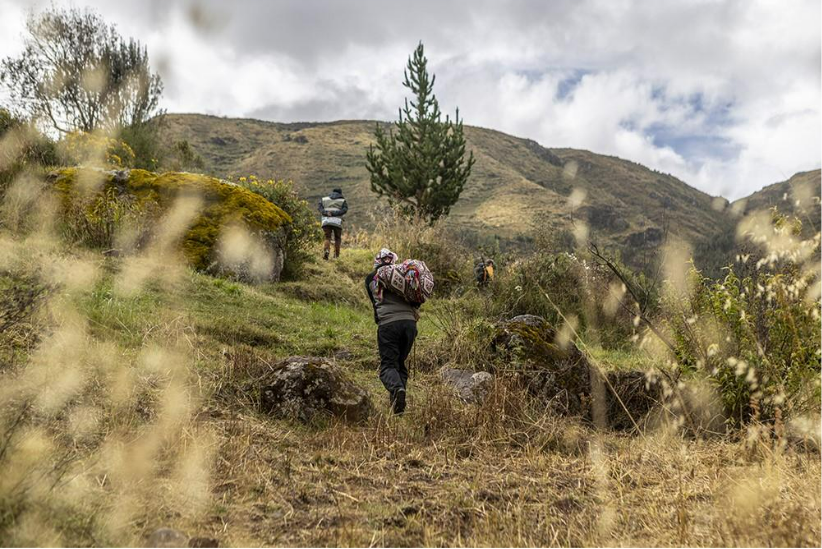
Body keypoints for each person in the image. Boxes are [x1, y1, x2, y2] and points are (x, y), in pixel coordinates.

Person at [365, 248, 420, 415]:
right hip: (410, 325)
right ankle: (398, 408)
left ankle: (397, 390)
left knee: (388, 365)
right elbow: (416, 302)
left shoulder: (371, 279)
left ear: (377, 262)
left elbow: (375, 304)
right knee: (400, 364)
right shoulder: (403, 277)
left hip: (389, 325)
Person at [318, 187, 348, 260]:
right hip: (337, 222)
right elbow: (344, 210)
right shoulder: (342, 200)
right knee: (337, 238)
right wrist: (335, 213)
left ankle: (326, 251)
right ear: (340, 193)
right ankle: (336, 256)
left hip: (326, 221)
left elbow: (320, 208)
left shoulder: (324, 199)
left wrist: (326, 213)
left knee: (327, 237)